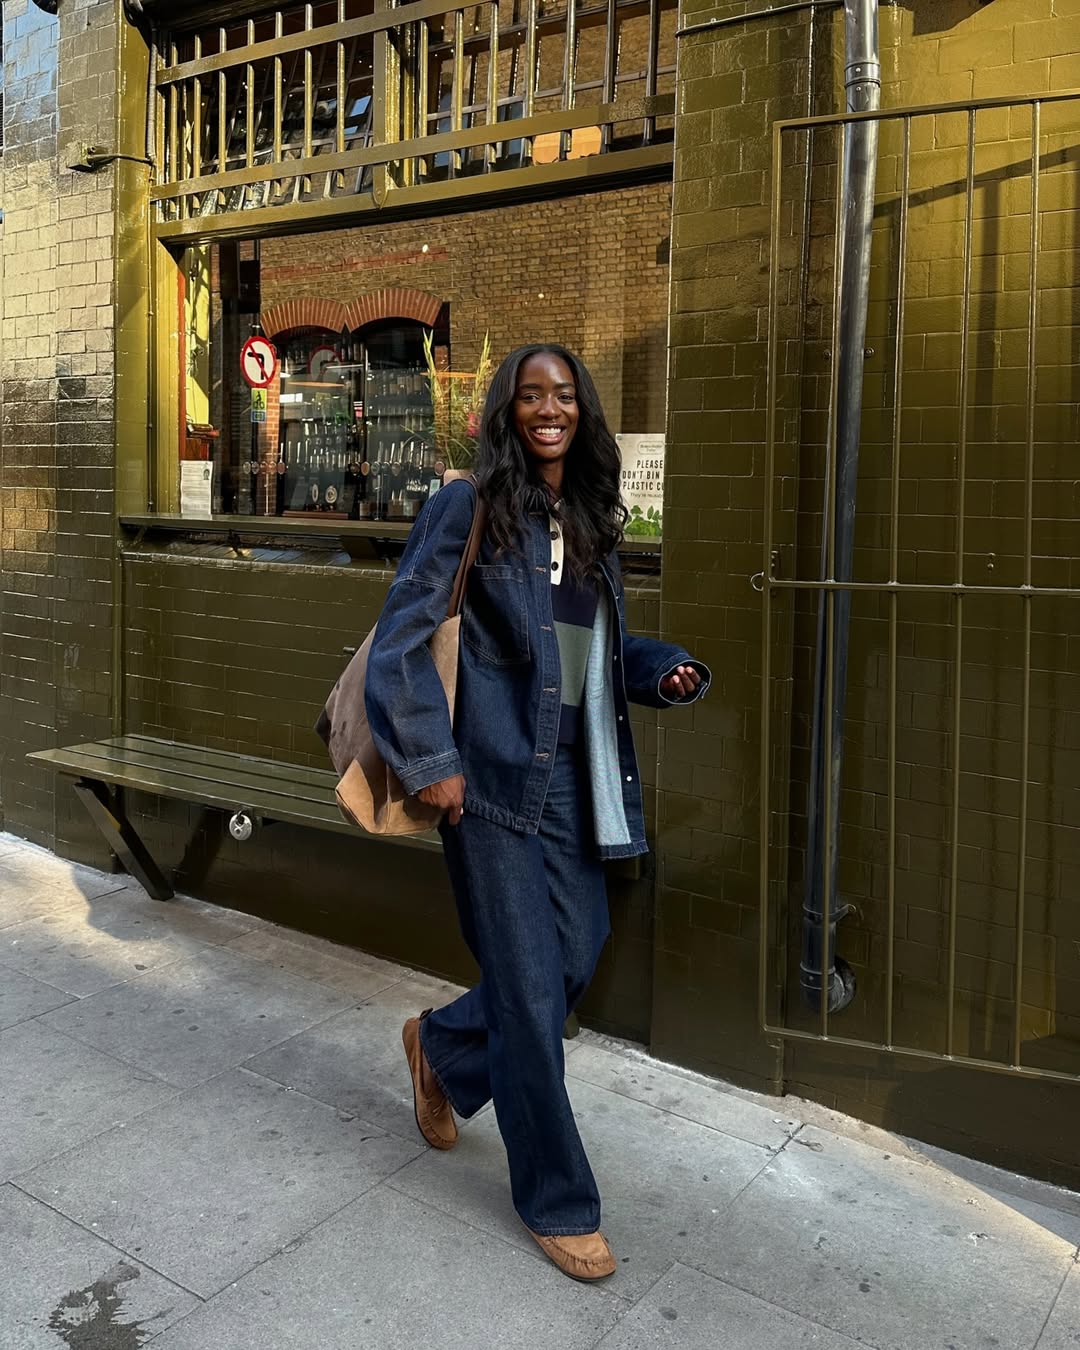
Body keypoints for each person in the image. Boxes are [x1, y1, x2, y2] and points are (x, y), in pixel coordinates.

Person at [364, 344, 709, 1282]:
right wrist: (434, 762)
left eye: (563, 395)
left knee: (573, 959)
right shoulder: (466, 505)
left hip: (574, 780)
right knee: (526, 993)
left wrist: (656, 666)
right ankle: (558, 1200)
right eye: (531, 395)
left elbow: (591, 651)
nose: (548, 409)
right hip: (489, 781)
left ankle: (441, 1048)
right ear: (508, 411)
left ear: (581, 411)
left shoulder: (589, 514)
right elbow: (401, 638)